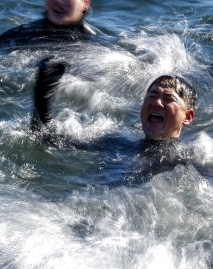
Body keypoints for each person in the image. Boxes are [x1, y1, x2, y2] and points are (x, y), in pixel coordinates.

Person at [31, 58, 197, 180]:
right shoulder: (117, 143)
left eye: (168, 99)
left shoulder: (188, 160)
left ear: (187, 117)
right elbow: (47, 138)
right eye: (152, 96)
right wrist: (43, 93)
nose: (156, 103)